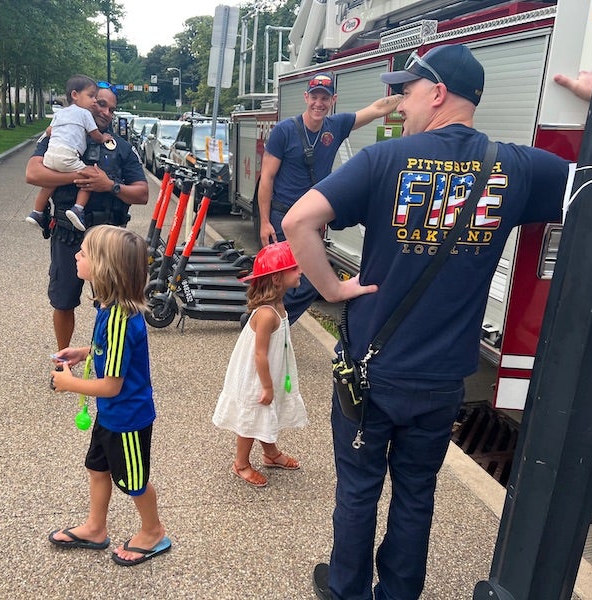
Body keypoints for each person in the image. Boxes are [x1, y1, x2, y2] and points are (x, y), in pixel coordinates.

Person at [282, 44, 571, 600]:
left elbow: (299, 221)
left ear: (437, 93)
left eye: (406, 91)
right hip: (442, 377)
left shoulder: (383, 160)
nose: (400, 103)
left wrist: (334, 289)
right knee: (417, 491)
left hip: (372, 371)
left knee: (360, 490)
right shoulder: (516, 166)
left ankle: (347, 590)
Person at [48, 225, 170, 567]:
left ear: (105, 268)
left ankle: (153, 531)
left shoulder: (117, 317)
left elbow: (112, 385)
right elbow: (113, 352)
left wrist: (69, 383)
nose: (76, 255)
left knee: (134, 481)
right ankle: (95, 528)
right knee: (98, 469)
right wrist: (85, 352)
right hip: (112, 414)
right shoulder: (110, 308)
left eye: (84, 252)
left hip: (127, 417)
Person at [257, 73, 402, 323]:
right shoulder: (284, 131)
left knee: (305, 280)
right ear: (306, 97)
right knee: (288, 279)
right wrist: (264, 221)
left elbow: (377, 109)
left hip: (311, 220)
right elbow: (267, 178)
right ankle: (269, 325)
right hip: (283, 218)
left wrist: (409, 96)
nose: (318, 103)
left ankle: (270, 324)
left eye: (324, 98)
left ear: (333, 100)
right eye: (314, 97)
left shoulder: (336, 126)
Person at [25, 80, 149, 351]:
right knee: (63, 300)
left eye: (111, 109)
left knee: (109, 304)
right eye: (100, 103)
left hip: (108, 240)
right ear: (86, 102)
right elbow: (32, 173)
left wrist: (110, 186)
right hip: (67, 236)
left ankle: (104, 357)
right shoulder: (58, 135)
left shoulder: (122, 148)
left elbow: (142, 194)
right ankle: (62, 358)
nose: (105, 111)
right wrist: (78, 176)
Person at [213, 241, 308, 488]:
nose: (300, 272)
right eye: (294, 268)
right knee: (252, 417)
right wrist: (266, 386)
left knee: (267, 413)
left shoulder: (279, 305)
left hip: (270, 373)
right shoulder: (266, 314)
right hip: (258, 377)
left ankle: (270, 453)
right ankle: (241, 463)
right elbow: (259, 355)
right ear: (277, 278)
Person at [26, 75, 114, 232]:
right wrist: (104, 138)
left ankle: (36, 212)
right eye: (91, 96)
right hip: (68, 155)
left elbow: (49, 131)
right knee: (91, 176)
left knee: (49, 184)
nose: (94, 100)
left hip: (51, 156)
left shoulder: (60, 113)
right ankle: (77, 209)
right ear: (75, 95)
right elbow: (95, 135)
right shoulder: (85, 114)